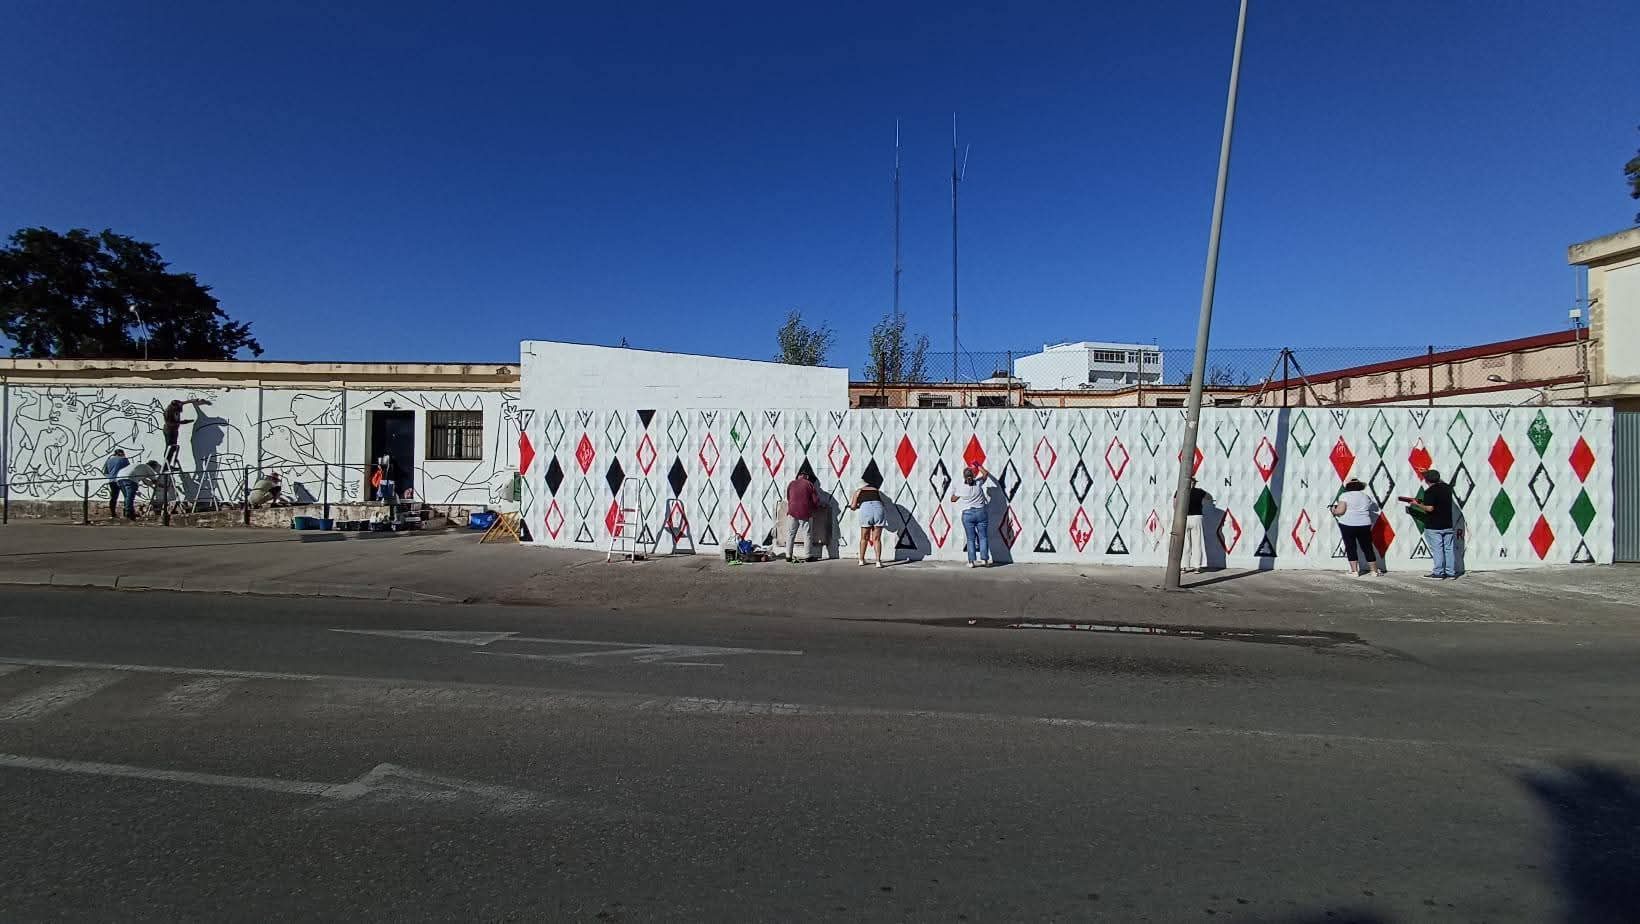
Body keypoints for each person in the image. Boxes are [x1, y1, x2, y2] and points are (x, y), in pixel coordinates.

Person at [1405, 469, 1457, 579]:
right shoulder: (1447, 488)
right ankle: (1451, 573)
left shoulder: (1430, 491)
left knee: (1438, 549)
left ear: (1427, 480)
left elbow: (1430, 508)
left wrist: (1416, 504)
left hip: (1434, 525)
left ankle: (1438, 573)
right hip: (1448, 524)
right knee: (1449, 549)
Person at [1331, 478, 1383, 576]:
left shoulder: (1345, 495)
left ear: (1348, 487)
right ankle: (1374, 571)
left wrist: (1334, 509)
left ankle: (1354, 571)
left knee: (1351, 546)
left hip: (1348, 524)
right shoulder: (1365, 496)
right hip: (1364, 524)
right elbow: (1373, 507)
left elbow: (1340, 511)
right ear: (1360, 486)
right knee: (1367, 547)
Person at [949, 462, 996, 568]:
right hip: (981, 513)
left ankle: (971, 562)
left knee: (970, 539)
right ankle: (984, 560)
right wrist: (978, 466)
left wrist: (954, 491)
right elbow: (985, 474)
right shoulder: (978, 483)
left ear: (964, 477)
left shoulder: (961, 488)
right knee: (983, 537)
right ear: (973, 475)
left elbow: (953, 499)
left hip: (968, 515)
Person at [784, 472, 821, 563]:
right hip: (804, 511)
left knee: (790, 534)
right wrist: (816, 507)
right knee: (807, 534)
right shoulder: (809, 484)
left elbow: (788, 497)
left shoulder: (791, 483)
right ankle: (808, 556)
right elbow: (815, 500)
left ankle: (788, 555)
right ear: (807, 476)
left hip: (792, 511)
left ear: (798, 476)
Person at [850, 479, 888, 568]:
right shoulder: (876, 490)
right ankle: (878, 561)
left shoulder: (858, 491)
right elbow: (882, 503)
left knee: (864, 537)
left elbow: (853, 506)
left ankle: (861, 560)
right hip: (878, 509)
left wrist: (855, 506)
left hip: (866, 510)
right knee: (877, 539)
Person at [162, 398, 210, 469]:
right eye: (179, 409)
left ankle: (168, 464)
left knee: (174, 448)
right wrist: (183, 422)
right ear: (174, 408)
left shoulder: (178, 403)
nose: (180, 410)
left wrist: (194, 400)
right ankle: (166, 466)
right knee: (170, 448)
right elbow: (169, 423)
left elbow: (185, 402)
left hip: (174, 431)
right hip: (169, 431)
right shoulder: (168, 412)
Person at [1176, 478, 1210, 573]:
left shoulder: (1180, 491)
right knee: (1197, 543)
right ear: (1194, 483)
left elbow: (1175, 504)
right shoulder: (1200, 492)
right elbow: (1209, 497)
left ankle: (1184, 566)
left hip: (1184, 517)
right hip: (1197, 517)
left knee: (1185, 543)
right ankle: (1197, 566)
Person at [102, 449, 130, 519]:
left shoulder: (109, 460)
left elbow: (105, 472)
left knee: (113, 497)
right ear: (122, 453)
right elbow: (128, 470)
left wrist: (111, 476)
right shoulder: (124, 460)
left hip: (112, 480)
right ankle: (126, 513)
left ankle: (113, 514)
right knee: (127, 496)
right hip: (122, 480)